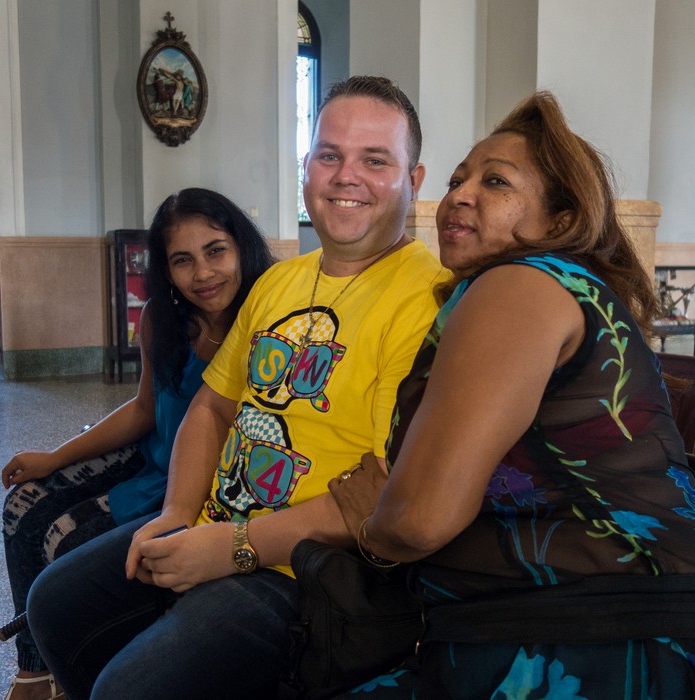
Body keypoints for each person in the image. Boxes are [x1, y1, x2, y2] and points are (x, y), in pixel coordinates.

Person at [327, 91, 695, 698]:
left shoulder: (518, 285)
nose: (460, 194)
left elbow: (416, 521)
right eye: (460, 177)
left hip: (619, 642)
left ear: (560, 221)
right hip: (610, 619)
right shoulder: (550, 289)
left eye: (495, 182)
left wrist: (373, 528)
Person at [27, 75, 448, 699]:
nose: (345, 176)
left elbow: (382, 493)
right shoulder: (279, 284)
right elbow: (213, 404)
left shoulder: (426, 299)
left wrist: (234, 547)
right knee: (56, 602)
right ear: (305, 169)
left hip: (307, 568)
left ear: (413, 182)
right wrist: (177, 514)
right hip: (215, 523)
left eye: (375, 160)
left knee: (130, 690)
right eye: (329, 155)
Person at [0, 188, 275, 700]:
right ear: (165, 270)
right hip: (154, 455)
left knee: (65, 539)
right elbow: (146, 408)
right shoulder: (162, 318)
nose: (203, 274)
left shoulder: (270, 318)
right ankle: (37, 672)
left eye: (216, 250)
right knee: (23, 507)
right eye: (183, 260)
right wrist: (57, 455)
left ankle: (82, 669)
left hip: (199, 487)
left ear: (242, 246)